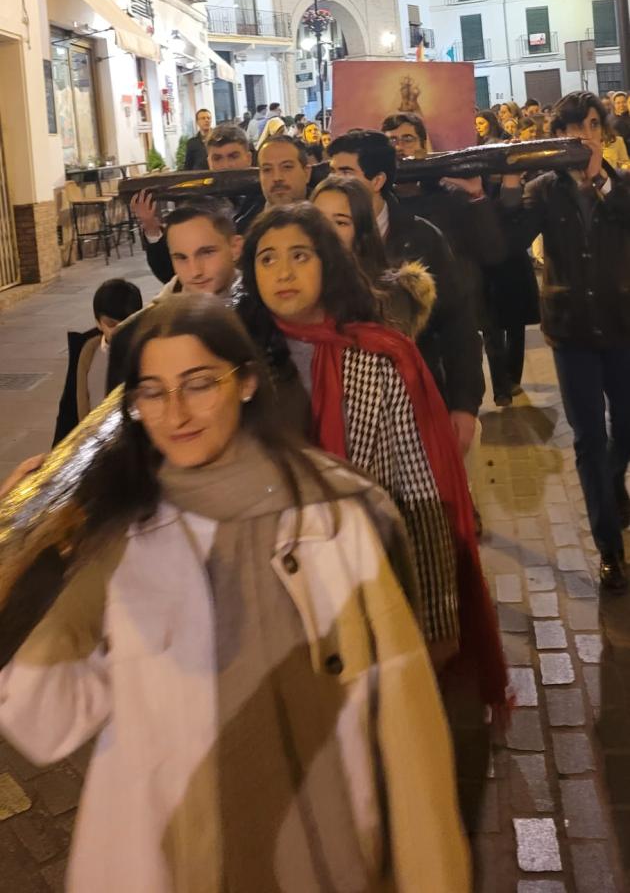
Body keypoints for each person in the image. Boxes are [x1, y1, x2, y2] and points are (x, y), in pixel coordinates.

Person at [0, 298, 470, 892]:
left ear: (246, 382)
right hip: (169, 861)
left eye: (199, 383)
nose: (175, 412)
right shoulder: (121, 543)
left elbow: (405, 723)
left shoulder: (340, 516)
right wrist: (31, 557)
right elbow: (47, 722)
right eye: (151, 391)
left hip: (323, 857)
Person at [240, 203, 508, 835]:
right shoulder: (237, 363)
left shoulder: (376, 355)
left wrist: (438, 614)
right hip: (269, 593)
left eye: (299, 255)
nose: (282, 272)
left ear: (328, 264)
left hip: (362, 582)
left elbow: (419, 489)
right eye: (266, 257)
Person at [501, 90, 630, 592]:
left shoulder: (621, 186)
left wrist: (599, 179)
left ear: (604, 132)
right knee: (587, 440)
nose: (582, 136)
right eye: (572, 128)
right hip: (571, 330)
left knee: (626, 424)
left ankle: (614, 479)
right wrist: (509, 186)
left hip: (622, 325)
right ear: (557, 137)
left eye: (592, 125)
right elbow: (508, 243)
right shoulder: (541, 190)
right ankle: (609, 549)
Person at [329, 130, 486, 453]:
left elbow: (458, 324)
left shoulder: (421, 238)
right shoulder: (321, 239)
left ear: (377, 180)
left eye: (346, 173)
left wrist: (464, 404)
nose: (335, 182)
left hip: (417, 400)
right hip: (345, 411)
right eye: (332, 172)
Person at [107, 201, 242, 391]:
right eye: (181, 258)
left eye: (207, 253)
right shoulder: (132, 337)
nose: (195, 271)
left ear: (235, 247)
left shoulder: (263, 316)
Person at [312, 174, 437, 340]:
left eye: (341, 222)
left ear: (361, 231)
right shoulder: (296, 285)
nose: (326, 231)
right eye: (318, 220)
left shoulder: (389, 296)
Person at [132, 126, 260, 284]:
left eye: (233, 156)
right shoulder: (195, 207)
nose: (226, 165)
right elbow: (169, 273)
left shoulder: (264, 200)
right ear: (209, 161)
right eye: (217, 158)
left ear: (248, 158)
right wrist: (151, 228)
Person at [53, 278, 142, 445]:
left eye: (127, 323)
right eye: (111, 324)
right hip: (94, 445)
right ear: (98, 323)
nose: (119, 331)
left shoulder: (146, 353)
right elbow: (71, 406)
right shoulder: (87, 352)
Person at [257, 134, 311, 206]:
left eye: (287, 167)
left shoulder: (325, 214)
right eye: (267, 170)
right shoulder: (247, 215)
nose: (277, 178)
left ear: (306, 173)